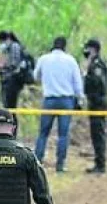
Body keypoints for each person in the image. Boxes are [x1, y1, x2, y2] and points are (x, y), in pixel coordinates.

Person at [32, 36, 85, 174]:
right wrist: (80, 98)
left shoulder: (44, 59)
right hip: (66, 100)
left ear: (53, 45)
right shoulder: (71, 60)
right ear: (64, 46)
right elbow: (77, 82)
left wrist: (46, 82)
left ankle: (37, 161)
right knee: (63, 134)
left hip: (49, 99)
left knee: (43, 133)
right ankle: (60, 165)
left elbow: (35, 76)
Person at [81, 38, 107, 174]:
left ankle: (100, 165)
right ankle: (98, 163)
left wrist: (86, 78)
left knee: (98, 133)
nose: (85, 52)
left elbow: (100, 82)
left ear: (93, 49)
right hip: (97, 102)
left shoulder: (97, 65)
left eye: (87, 49)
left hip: (98, 103)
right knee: (96, 134)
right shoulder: (99, 64)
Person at [0, 31, 27, 109]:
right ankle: (11, 120)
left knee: (9, 107)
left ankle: (10, 120)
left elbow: (4, 64)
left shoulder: (7, 46)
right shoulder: (15, 46)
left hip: (10, 80)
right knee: (10, 106)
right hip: (12, 81)